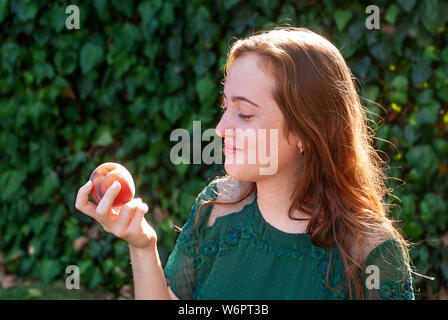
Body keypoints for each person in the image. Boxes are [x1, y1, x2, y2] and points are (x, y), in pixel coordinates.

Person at [75, 27, 416, 300]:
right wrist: (142, 243)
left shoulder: (370, 253)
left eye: (246, 113)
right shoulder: (217, 208)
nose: (222, 129)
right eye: (225, 107)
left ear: (305, 132)